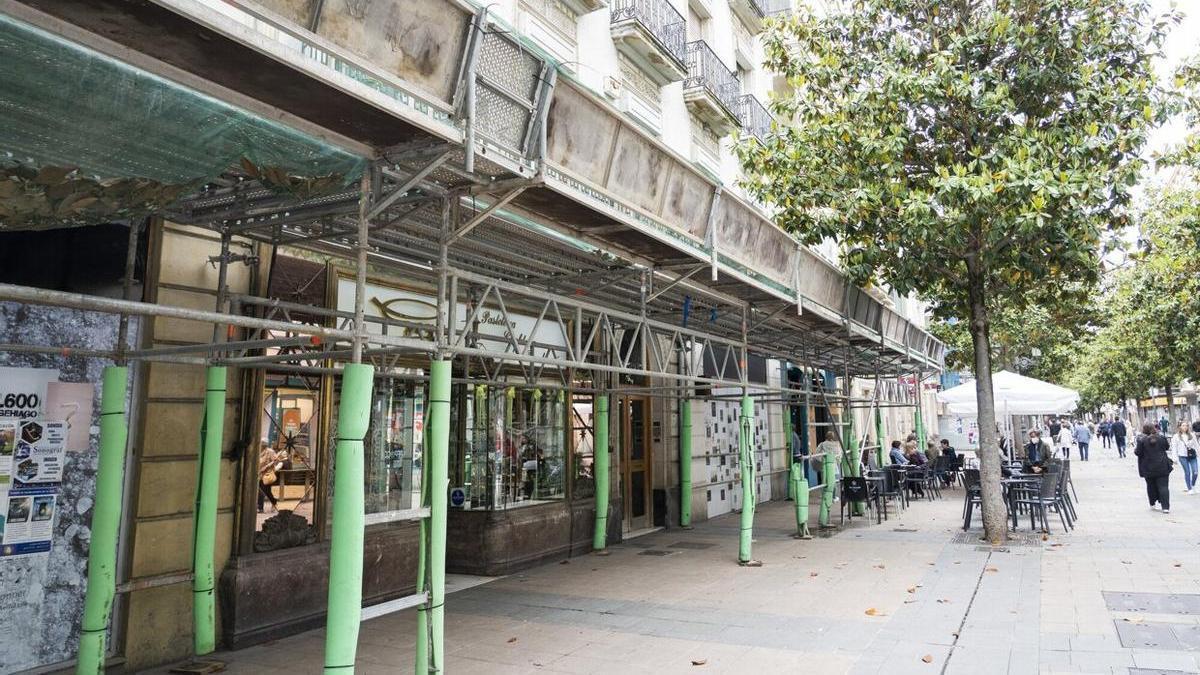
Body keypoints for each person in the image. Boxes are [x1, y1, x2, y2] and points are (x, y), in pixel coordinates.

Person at [1135, 423, 1173, 513]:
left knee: (1150, 485)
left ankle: (1152, 503)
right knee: (1163, 486)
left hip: (1148, 467)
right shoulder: (1162, 438)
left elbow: (1138, 452)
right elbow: (1167, 447)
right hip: (1162, 466)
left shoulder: (1142, 440)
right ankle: (1165, 507)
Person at [1169, 422, 1198, 494]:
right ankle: (1189, 488)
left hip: (1192, 455)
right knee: (1187, 472)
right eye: (1183, 426)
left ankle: (1193, 484)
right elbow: (1174, 448)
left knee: (1195, 472)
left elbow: (1196, 444)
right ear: (1180, 427)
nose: (1185, 427)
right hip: (1182, 456)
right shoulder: (1176, 436)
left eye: (1186, 426)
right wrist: (1174, 458)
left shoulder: (1192, 435)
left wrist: (1198, 451)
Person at [257, 442, 283, 513]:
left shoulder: (270, 452)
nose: (261, 446)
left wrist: (267, 466)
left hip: (267, 475)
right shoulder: (258, 450)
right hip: (259, 474)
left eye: (262, 445)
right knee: (264, 491)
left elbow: (277, 460)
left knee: (263, 491)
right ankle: (268, 504)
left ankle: (261, 507)